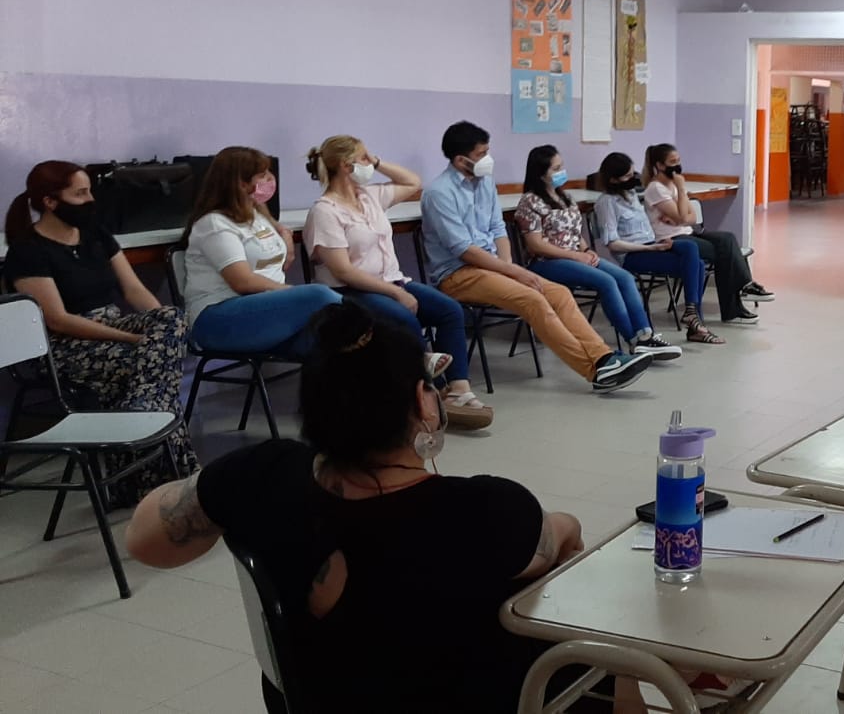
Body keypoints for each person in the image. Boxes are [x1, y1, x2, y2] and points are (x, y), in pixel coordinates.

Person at [123, 302, 643, 714]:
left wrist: (230, 489)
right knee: (598, 629)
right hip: (471, 697)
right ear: (423, 402)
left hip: (316, 700)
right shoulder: (485, 509)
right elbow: (561, 537)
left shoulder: (263, 473)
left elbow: (145, 542)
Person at [4, 161, 198, 506]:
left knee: (170, 317)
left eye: (89, 190)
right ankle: (175, 471)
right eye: (80, 193)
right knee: (146, 362)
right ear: (50, 201)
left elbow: (135, 291)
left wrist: (162, 330)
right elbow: (58, 320)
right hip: (68, 345)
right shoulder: (28, 250)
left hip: (112, 324)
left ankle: (144, 425)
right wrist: (140, 341)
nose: (90, 199)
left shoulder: (96, 234)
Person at [420, 121, 651, 393]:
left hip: (493, 267)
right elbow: (464, 249)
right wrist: (514, 272)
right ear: (461, 160)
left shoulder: (485, 183)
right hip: (458, 274)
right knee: (532, 299)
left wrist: (507, 266)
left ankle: (605, 357)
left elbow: (497, 228)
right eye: (482, 154)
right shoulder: (439, 193)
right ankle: (595, 370)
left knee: (559, 293)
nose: (488, 159)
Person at [303, 135, 494, 429]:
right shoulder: (325, 210)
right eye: (365, 158)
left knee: (449, 311)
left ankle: (457, 390)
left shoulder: (369, 196)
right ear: (345, 165)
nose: (372, 163)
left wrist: (377, 162)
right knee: (403, 315)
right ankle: (425, 395)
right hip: (349, 292)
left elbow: (412, 182)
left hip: (391, 280)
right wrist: (395, 292)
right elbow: (343, 271)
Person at [515, 145, 681, 361]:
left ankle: (645, 335)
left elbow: (575, 231)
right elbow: (535, 245)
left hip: (578, 255)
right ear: (540, 172)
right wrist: (576, 256)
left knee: (624, 277)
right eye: (555, 169)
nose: (561, 172)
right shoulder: (530, 201)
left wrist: (586, 249)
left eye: (561, 167)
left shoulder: (565, 197)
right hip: (548, 261)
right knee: (606, 282)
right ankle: (632, 339)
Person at [179, 147, 342, 357]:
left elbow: (270, 225)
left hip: (260, 311)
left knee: (338, 340)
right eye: (262, 175)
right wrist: (289, 292)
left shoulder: (254, 215)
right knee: (319, 295)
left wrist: (284, 234)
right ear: (241, 183)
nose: (270, 179)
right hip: (217, 318)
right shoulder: (214, 224)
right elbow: (243, 282)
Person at [594, 152, 724, 345]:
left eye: (633, 173)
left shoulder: (631, 195)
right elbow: (612, 243)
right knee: (694, 262)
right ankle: (696, 324)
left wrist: (664, 225)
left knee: (690, 250)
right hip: (633, 254)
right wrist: (649, 249)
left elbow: (648, 223)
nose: (633, 179)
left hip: (654, 245)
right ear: (613, 179)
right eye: (628, 176)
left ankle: (691, 314)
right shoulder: (606, 203)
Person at [641, 143, 771, 325]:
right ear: (660, 165)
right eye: (672, 162)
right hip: (672, 240)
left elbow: (691, 217)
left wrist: (681, 215)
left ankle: (743, 291)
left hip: (688, 232)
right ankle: (737, 303)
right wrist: (681, 195)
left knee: (727, 238)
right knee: (724, 252)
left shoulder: (674, 184)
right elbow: (681, 215)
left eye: (678, 160)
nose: (677, 165)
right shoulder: (656, 189)